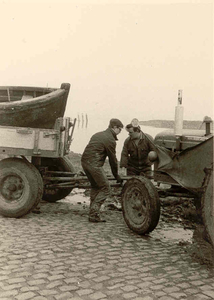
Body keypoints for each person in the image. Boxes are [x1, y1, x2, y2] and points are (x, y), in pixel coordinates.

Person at [81, 118, 124, 222]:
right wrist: (116, 175)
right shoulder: (110, 140)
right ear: (114, 127)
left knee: (95, 186)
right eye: (120, 129)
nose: (120, 132)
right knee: (106, 188)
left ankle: (92, 212)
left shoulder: (98, 134)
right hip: (94, 164)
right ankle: (94, 214)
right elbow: (113, 160)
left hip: (84, 162)